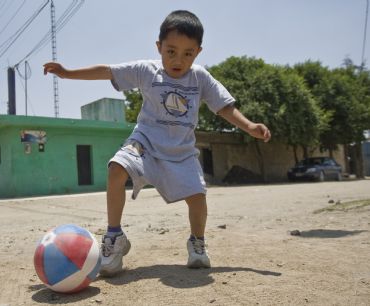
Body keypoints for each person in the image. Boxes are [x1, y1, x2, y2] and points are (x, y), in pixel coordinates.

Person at [43, 10, 271, 276]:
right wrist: (68, 73)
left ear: (197, 52)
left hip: (182, 150)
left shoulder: (200, 78)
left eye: (188, 53)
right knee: (116, 168)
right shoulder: (146, 71)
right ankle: (115, 237)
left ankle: (197, 243)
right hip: (145, 143)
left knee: (198, 198)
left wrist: (250, 126)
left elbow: (224, 107)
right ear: (159, 46)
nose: (178, 59)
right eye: (171, 51)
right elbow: (107, 71)